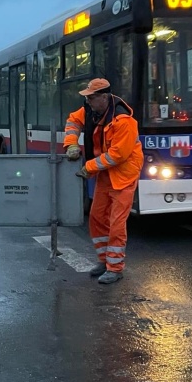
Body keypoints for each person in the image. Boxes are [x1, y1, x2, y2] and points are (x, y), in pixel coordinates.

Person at [64, 78, 143, 284]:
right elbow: (73, 121)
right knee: (97, 217)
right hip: (106, 174)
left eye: (92, 97)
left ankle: (115, 268)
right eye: (88, 97)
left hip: (124, 176)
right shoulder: (91, 111)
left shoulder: (123, 121)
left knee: (116, 223)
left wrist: (88, 167)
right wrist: (71, 144)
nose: (88, 101)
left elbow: (117, 155)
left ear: (104, 97)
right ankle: (104, 261)